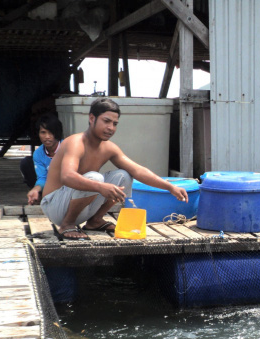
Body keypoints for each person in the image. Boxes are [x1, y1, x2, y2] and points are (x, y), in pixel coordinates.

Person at [41, 97, 188, 240]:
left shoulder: (109, 148)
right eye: (106, 121)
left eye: (115, 123)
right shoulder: (75, 142)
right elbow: (67, 176)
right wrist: (100, 186)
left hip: (79, 206)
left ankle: (95, 221)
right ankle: (67, 224)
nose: (111, 128)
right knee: (95, 178)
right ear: (92, 118)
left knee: (124, 175)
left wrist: (170, 187)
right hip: (55, 206)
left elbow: (138, 170)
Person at [20, 114, 63, 205]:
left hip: (66, 185)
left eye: (51, 132)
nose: (47, 136)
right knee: (26, 163)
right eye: (43, 132)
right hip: (49, 184)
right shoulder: (38, 153)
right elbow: (42, 177)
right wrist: (36, 189)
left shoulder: (67, 148)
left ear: (58, 133)